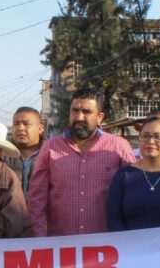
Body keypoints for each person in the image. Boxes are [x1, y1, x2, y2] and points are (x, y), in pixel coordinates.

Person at [28, 88, 135, 237]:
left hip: (106, 247)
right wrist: (40, 240)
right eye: (74, 111)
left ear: (100, 117)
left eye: (86, 112)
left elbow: (133, 195)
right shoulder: (50, 147)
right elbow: (37, 199)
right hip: (61, 247)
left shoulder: (118, 147)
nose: (79, 117)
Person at [2, 107, 45, 195]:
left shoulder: (50, 155)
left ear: (40, 128)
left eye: (26, 124)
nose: (20, 128)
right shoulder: (1, 156)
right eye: (16, 124)